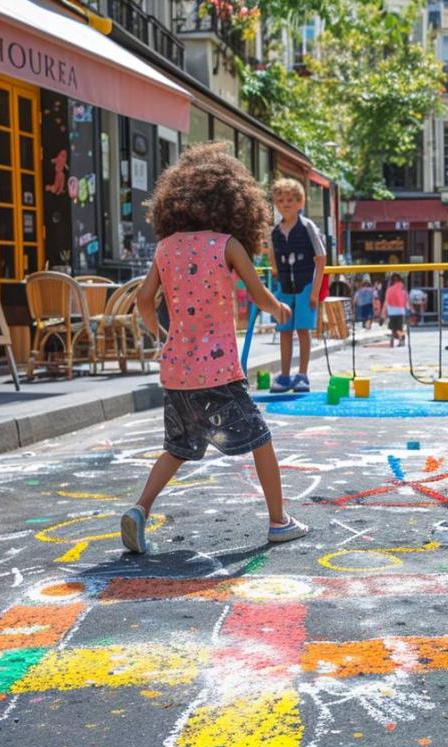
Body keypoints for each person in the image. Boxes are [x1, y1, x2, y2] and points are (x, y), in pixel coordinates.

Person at [120, 143, 308, 554]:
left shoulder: (166, 247)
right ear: (235, 202)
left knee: (177, 448)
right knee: (260, 438)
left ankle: (139, 509)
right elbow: (259, 296)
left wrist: (162, 338)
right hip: (219, 371)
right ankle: (279, 521)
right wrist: (278, 308)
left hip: (177, 370)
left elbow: (144, 300)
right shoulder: (227, 245)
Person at [269, 178, 328, 394]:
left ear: (300, 202)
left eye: (291, 200)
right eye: (281, 200)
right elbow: (273, 260)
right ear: (275, 203)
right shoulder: (275, 232)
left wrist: (315, 291)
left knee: (303, 330)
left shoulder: (307, 227)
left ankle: (302, 374)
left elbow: (320, 258)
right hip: (284, 288)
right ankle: (285, 375)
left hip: (304, 286)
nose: (286, 204)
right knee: (285, 330)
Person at [383, 273, 408, 346]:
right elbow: (405, 299)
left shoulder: (389, 289)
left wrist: (383, 313)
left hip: (392, 311)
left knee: (393, 328)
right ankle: (400, 340)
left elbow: (386, 301)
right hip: (400, 311)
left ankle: (393, 341)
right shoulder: (402, 288)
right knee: (399, 327)